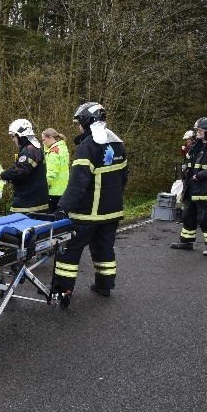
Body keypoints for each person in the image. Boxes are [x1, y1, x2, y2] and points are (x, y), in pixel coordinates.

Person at [52, 102, 128, 299]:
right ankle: (105, 286)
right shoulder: (118, 144)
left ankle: (63, 289)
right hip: (112, 212)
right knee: (104, 248)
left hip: (87, 213)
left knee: (69, 250)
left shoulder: (88, 146)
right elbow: (124, 177)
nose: (78, 127)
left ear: (86, 122)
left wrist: (63, 207)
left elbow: (78, 181)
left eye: (79, 123)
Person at [171, 117, 207, 256]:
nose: (198, 133)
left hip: (206, 190)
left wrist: (201, 175)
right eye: (197, 130)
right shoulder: (198, 144)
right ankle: (186, 242)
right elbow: (190, 161)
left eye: (200, 130)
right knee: (188, 216)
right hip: (191, 188)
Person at [0, 119, 49, 213]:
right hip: (34, 200)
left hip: (28, 203)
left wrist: (2, 175)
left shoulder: (29, 151)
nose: (13, 139)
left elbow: (20, 170)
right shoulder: (33, 148)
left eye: (14, 136)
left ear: (20, 136)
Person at [41, 128, 69, 213]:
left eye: (44, 140)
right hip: (64, 189)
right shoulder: (63, 148)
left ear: (50, 137)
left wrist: (43, 186)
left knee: (51, 219)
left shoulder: (53, 152)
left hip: (53, 190)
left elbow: (51, 173)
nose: (43, 142)